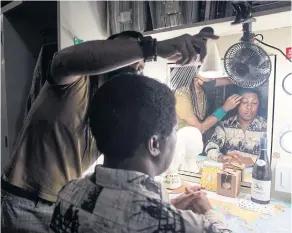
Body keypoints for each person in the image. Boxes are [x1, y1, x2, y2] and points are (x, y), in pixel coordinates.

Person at [1, 28, 219, 233]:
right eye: (129, 57)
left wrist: (162, 206)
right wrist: (153, 48)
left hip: (60, 202)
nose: (135, 68)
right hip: (24, 203)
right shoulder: (73, 84)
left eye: (139, 66)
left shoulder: (112, 108)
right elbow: (63, 61)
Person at [50, 74, 232, 233]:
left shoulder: (68, 192)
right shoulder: (178, 225)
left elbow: (116, 215)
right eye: (175, 131)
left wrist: (167, 207)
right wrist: (208, 212)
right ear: (154, 144)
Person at [205, 89, 267, 167]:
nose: (249, 107)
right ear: (237, 105)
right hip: (231, 172)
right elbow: (210, 147)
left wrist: (253, 161)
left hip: (257, 175)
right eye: (244, 102)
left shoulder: (266, 128)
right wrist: (221, 157)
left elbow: (274, 155)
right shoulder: (225, 125)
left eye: (254, 103)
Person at [175, 75, 243, 132]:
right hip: (185, 142)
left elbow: (229, 80)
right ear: (196, 79)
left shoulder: (204, 84)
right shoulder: (182, 97)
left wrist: (241, 78)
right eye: (210, 77)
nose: (213, 78)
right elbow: (200, 128)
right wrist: (224, 109)